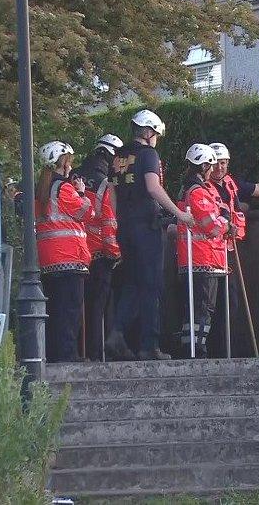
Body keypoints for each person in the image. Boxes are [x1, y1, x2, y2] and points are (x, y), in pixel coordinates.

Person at [107, 109, 195, 361]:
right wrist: (180, 214)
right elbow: (153, 187)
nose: (156, 138)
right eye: (155, 133)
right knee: (151, 285)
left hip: (125, 226)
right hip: (146, 226)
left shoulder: (119, 156)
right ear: (147, 132)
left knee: (133, 283)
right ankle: (149, 345)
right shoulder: (148, 154)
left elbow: (112, 193)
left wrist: (117, 223)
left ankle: (117, 332)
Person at [35, 141, 93, 363]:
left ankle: (54, 354)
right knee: (70, 310)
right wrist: (82, 193)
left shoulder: (41, 189)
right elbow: (84, 212)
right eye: (69, 161)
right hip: (69, 256)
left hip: (49, 258)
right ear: (63, 163)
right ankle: (68, 355)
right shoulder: (63, 188)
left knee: (55, 309)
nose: (71, 167)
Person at [207, 141, 259, 357]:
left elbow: (253, 192)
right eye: (216, 164)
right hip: (212, 250)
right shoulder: (204, 187)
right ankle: (216, 350)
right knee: (214, 303)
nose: (219, 168)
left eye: (223, 163)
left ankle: (231, 348)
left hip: (230, 249)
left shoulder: (231, 183)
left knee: (232, 300)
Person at [176, 144, 230, 357]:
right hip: (201, 258)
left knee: (194, 310)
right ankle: (197, 350)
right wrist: (226, 221)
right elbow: (212, 226)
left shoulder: (187, 190)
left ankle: (191, 347)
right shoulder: (198, 192)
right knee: (203, 309)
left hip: (193, 258)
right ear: (204, 166)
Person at [73, 134, 123, 361]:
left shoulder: (74, 177)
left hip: (74, 252)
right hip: (100, 254)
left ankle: (76, 352)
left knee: (76, 307)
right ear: (111, 155)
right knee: (97, 308)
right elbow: (109, 223)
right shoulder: (105, 184)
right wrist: (114, 254)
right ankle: (95, 354)